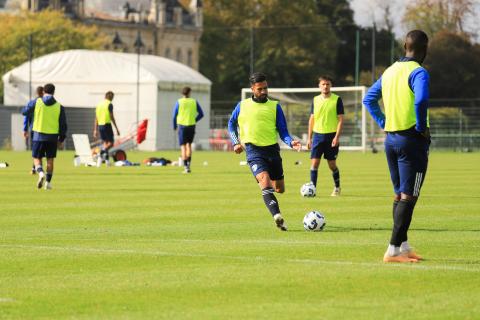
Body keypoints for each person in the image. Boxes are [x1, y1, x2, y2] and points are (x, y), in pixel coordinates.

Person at [363, 30, 430, 263]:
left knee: (400, 194)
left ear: (404, 46)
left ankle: (403, 246)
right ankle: (392, 251)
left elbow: (368, 99)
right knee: (409, 196)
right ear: (425, 49)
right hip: (412, 140)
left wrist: (384, 122)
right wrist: (421, 127)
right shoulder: (418, 72)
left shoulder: (389, 71)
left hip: (391, 141)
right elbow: (420, 100)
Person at [228, 72, 302, 231]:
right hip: (253, 151)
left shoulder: (275, 106)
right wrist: (235, 142)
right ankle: (278, 217)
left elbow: (283, 132)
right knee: (265, 182)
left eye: (265, 88)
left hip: (273, 152)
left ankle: (269, 192)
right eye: (260, 89)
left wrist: (291, 142)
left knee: (279, 189)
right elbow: (231, 124)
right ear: (252, 89)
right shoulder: (242, 106)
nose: (264, 92)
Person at [22, 83, 67, 190]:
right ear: (54, 92)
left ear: (43, 92)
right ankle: (48, 183)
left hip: (38, 135)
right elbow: (63, 125)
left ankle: (40, 173)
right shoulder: (59, 106)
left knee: (36, 158)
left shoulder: (37, 102)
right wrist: (61, 139)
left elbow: (24, 112)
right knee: (50, 160)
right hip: (52, 137)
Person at [307, 76, 344, 196]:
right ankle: (313, 190)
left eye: (327, 84)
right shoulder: (315, 100)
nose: (325, 86)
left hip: (331, 136)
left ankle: (337, 187)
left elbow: (340, 120)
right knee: (314, 164)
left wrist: (337, 137)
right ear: (319, 86)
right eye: (323, 84)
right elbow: (312, 119)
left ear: (331, 85)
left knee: (332, 165)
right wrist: (309, 138)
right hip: (317, 136)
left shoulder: (337, 99)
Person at [172, 86, 204, 173]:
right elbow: (201, 114)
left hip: (182, 126)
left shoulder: (179, 102)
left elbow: (174, 115)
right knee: (189, 145)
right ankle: (188, 165)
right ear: (189, 92)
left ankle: (185, 167)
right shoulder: (194, 101)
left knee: (183, 147)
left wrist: (174, 126)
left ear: (182, 93)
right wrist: (194, 120)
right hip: (191, 126)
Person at [93, 91, 120, 167]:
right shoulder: (109, 104)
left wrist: (95, 129)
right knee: (111, 143)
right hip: (107, 124)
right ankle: (101, 152)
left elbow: (96, 118)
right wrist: (117, 128)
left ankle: (106, 162)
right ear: (111, 97)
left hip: (100, 126)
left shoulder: (99, 105)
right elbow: (111, 117)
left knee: (105, 143)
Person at [23, 86, 44, 174]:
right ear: (43, 92)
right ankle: (36, 168)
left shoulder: (32, 103)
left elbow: (26, 117)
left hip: (33, 129)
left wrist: (25, 129)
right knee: (40, 150)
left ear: (36, 93)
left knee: (36, 150)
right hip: (44, 129)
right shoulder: (45, 104)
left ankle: (35, 168)